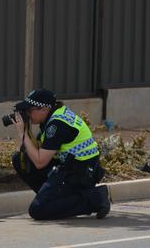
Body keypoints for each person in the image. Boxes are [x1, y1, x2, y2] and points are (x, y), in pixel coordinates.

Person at [10, 89, 111, 220]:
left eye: (30, 110)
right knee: (20, 160)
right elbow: (37, 151)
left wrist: (22, 134)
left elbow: (40, 162)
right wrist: (26, 130)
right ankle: (55, 201)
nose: (28, 114)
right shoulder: (52, 117)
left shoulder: (57, 124)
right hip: (70, 167)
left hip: (80, 173)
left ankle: (95, 198)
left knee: (38, 210)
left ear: (44, 109)